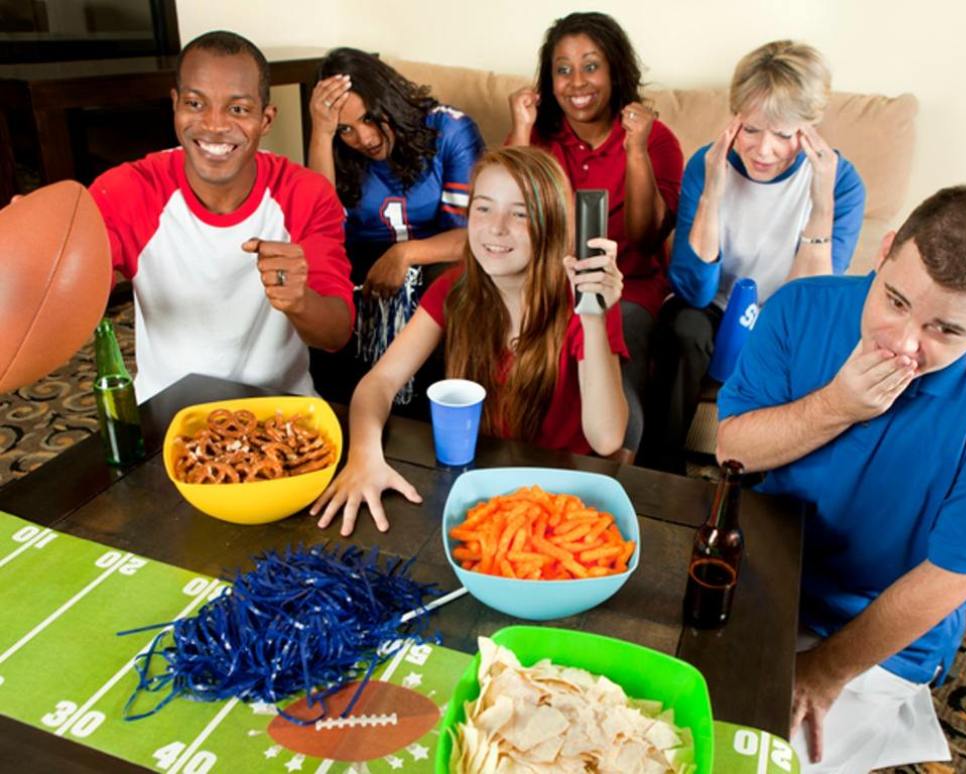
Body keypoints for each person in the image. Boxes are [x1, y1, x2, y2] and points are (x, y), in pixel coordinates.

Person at [716, 185, 966, 772]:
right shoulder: (801, 307)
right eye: (896, 300)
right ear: (883, 252)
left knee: (755, 763)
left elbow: (957, 575)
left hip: (879, 635)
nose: (904, 344)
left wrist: (825, 671)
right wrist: (836, 405)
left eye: (945, 331)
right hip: (765, 580)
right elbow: (733, 448)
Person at [312, 147, 629, 536]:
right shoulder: (454, 289)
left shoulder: (583, 302)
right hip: (480, 488)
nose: (496, 228)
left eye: (520, 213)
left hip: (562, 497)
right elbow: (379, 383)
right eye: (483, 208)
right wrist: (363, 457)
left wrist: (593, 318)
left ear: (552, 224)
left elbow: (607, 436)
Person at [88, 31, 354, 402]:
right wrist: (39, 254)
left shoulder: (306, 194)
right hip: (168, 417)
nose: (214, 125)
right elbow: (70, 306)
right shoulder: (125, 190)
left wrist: (300, 300)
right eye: (196, 104)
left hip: (282, 413)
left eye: (238, 109)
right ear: (175, 105)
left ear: (266, 118)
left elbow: (336, 333)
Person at [646, 40, 865, 471]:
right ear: (735, 119)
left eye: (784, 135)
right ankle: (659, 474)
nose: (764, 150)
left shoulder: (841, 183)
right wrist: (712, 191)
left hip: (784, 315)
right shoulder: (707, 164)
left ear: (809, 127)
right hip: (713, 307)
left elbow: (813, 302)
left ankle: (761, 486)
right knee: (684, 327)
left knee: (805, 354)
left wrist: (820, 205)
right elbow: (691, 289)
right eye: (751, 130)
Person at [507, 11, 682, 456]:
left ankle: (620, 479)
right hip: (546, 284)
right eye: (562, 69)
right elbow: (505, 205)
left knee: (616, 401)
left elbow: (646, 236)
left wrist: (635, 149)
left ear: (614, 69)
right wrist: (523, 128)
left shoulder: (655, 138)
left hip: (628, 289)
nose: (576, 82)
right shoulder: (540, 135)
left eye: (590, 65)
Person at [306, 48, 484, 406]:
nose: (364, 138)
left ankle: (432, 412)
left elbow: (477, 235)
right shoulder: (337, 149)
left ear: (388, 96)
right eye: (346, 129)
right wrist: (323, 134)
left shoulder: (449, 129)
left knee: (453, 283)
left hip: (435, 258)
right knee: (319, 282)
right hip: (360, 267)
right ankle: (337, 417)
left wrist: (405, 253)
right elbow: (320, 227)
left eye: (370, 118)